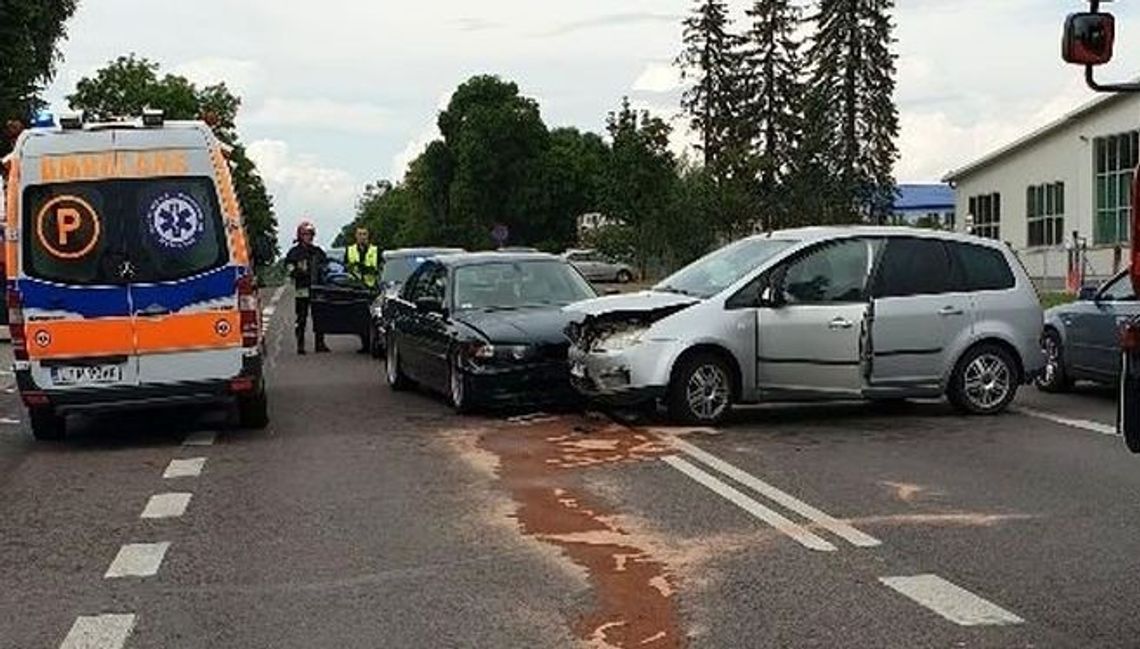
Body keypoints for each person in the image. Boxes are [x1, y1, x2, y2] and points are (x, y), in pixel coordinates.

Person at [284, 221, 329, 355]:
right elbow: (288, 266)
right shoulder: (294, 252)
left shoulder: (317, 251)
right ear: (300, 235)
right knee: (302, 316)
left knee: (320, 315)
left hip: (317, 288)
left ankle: (320, 343)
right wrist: (297, 272)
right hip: (302, 288)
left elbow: (326, 266)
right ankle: (300, 344)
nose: (308, 237)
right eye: (305, 234)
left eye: (310, 234)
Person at [345, 226, 380, 353]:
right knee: (358, 316)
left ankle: (373, 342)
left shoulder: (375, 250)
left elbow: (380, 268)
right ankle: (364, 344)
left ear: (368, 236)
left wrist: (367, 269)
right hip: (356, 288)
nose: (362, 237)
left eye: (364, 234)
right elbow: (346, 268)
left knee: (372, 317)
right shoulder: (350, 250)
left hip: (371, 288)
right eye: (360, 234)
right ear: (356, 236)